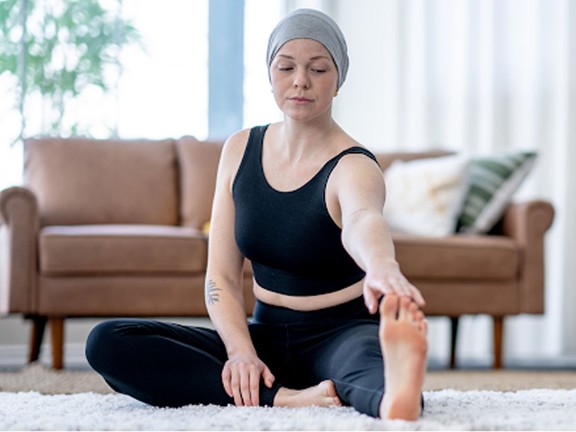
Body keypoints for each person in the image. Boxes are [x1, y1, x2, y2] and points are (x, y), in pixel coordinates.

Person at [85, 8, 428, 420]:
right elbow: (222, 277)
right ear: (270, 75)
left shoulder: (354, 165)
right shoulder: (239, 149)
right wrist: (241, 353)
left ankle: (397, 395)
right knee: (109, 341)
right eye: (286, 67)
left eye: (318, 69)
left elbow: (362, 220)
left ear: (339, 80)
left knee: (373, 378)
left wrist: (381, 266)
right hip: (262, 333)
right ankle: (281, 397)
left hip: (341, 334)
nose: (300, 80)